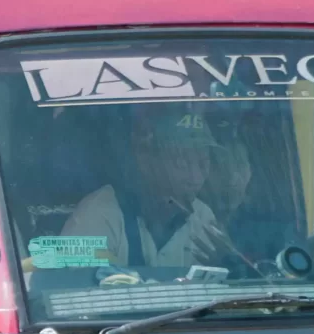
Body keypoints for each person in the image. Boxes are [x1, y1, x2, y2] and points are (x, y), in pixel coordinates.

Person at [60, 110, 237, 271]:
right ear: (147, 161)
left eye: (202, 163)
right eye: (182, 162)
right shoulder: (97, 216)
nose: (196, 177)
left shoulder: (203, 218)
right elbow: (86, 298)